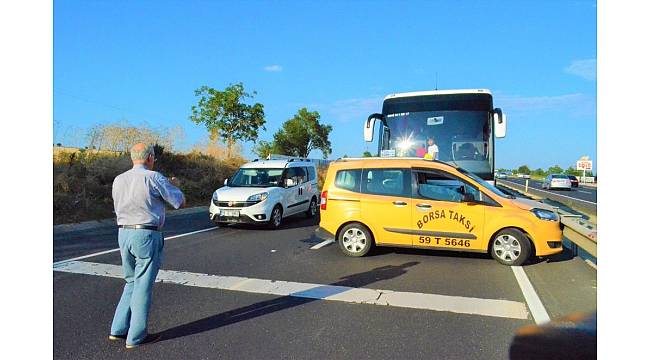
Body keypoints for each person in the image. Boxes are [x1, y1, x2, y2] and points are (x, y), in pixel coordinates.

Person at [109, 143, 185, 348]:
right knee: (143, 285)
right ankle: (136, 336)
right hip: (146, 234)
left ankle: (118, 329)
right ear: (150, 157)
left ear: (132, 157)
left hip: (123, 232)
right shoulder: (154, 177)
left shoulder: (119, 179)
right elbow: (179, 201)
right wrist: (175, 185)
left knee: (131, 281)